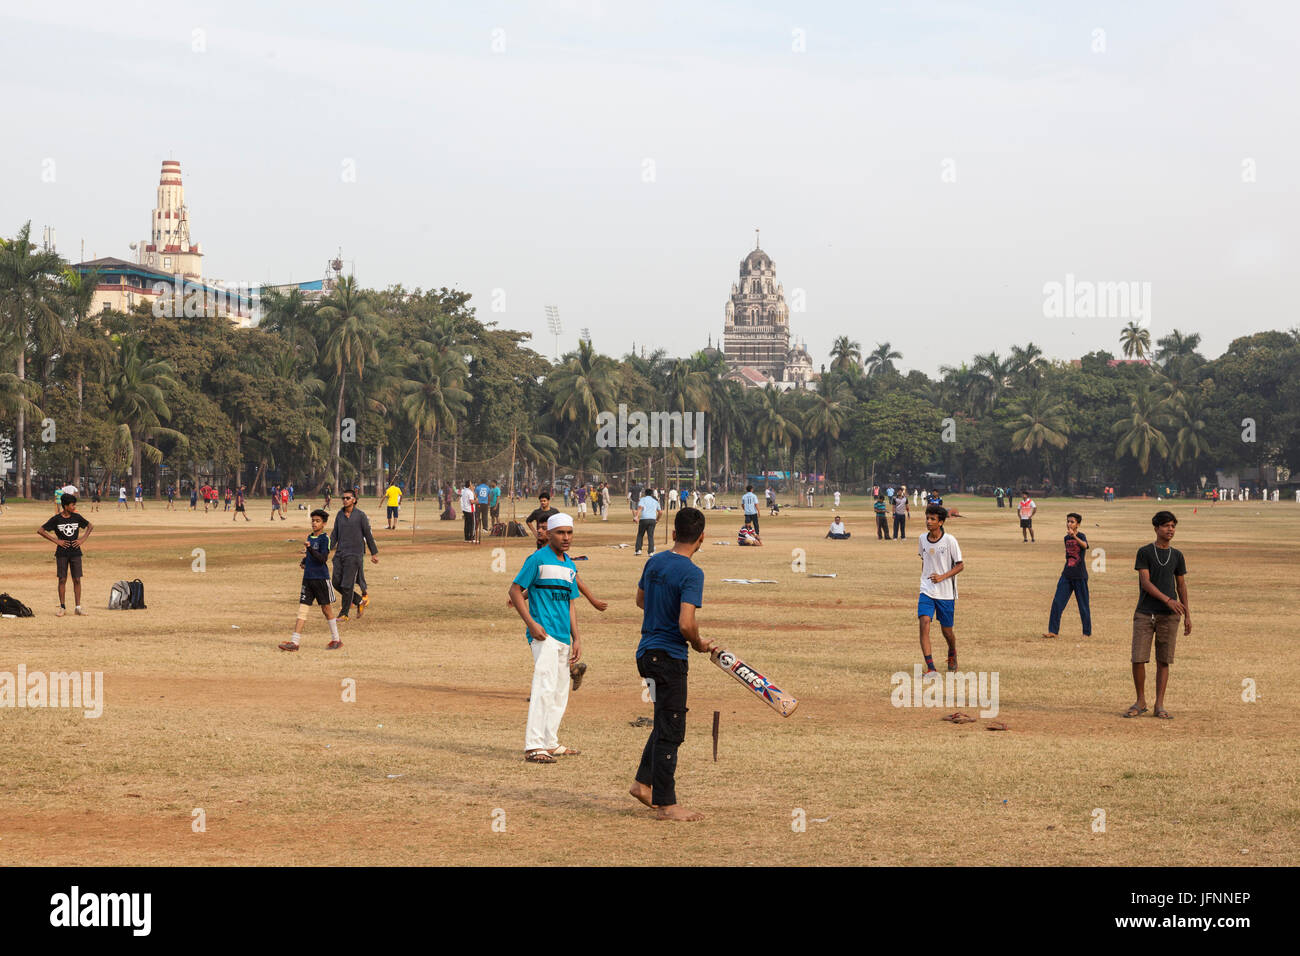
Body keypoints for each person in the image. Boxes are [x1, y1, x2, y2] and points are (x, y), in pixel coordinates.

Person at [629, 506, 713, 820]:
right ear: (701, 538)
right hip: (669, 658)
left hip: (646, 655)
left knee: (664, 721)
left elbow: (640, 600)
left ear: (674, 533)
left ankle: (642, 784)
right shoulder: (692, 573)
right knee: (673, 730)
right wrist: (699, 643)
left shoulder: (654, 561)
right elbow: (686, 624)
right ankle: (667, 804)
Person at [509, 513, 584, 763]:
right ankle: (533, 745)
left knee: (560, 690)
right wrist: (532, 623)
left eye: (569, 533)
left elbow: (571, 604)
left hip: (564, 636)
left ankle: (550, 742)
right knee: (544, 686)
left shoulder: (569, 565)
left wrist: (577, 638)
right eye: (560, 533)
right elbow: (515, 590)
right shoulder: (537, 559)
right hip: (543, 635)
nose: (565, 537)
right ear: (548, 534)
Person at [1126, 511, 1190, 720]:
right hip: (1145, 612)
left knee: (1164, 660)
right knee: (1138, 658)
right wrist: (1168, 599)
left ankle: (1159, 704)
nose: (1170, 529)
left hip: (1169, 616)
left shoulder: (1177, 555)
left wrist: (1187, 614)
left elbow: (1181, 584)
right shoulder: (1144, 552)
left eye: (1172, 526)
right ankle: (1140, 700)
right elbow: (1145, 582)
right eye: (1166, 526)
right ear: (1156, 528)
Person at [279, 509, 343, 651]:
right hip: (308, 579)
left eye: (317, 521)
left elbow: (323, 559)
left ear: (324, 523)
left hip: (320, 579)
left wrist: (310, 550)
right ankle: (294, 642)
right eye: (313, 520)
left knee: (326, 609)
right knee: (303, 609)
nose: (314, 523)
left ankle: (336, 639)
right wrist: (304, 561)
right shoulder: (310, 536)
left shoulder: (324, 539)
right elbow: (311, 557)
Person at [917, 504, 964, 676]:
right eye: (927, 518)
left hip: (945, 592)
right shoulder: (922, 539)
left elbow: (960, 566)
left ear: (941, 522)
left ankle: (952, 652)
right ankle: (931, 668)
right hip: (927, 589)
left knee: (947, 631)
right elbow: (925, 561)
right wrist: (926, 578)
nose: (928, 522)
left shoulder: (950, 541)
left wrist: (942, 577)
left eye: (932, 519)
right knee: (924, 623)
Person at [37, 493, 93, 617]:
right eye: (72, 505)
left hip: (76, 553)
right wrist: (56, 541)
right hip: (62, 553)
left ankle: (78, 607)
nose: (74, 507)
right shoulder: (56, 519)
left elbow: (90, 526)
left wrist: (82, 539)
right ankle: (62, 607)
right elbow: (40, 530)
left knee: (77, 579)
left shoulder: (77, 517)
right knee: (62, 579)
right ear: (66, 506)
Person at [330, 489, 378, 622]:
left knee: (347, 584)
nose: (345, 500)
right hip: (340, 553)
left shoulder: (360, 516)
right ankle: (358, 601)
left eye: (347, 498)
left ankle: (344, 614)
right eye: (343, 498)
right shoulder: (340, 515)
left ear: (354, 500)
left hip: (355, 554)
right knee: (335, 582)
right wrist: (326, 548)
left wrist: (373, 553)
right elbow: (335, 534)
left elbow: (368, 535)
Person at [1043, 512, 1091, 639]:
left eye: (1072, 522)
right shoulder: (1066, 538)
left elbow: (1085, 546)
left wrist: (1075, 537)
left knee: (1083, 605)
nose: (1069, 524)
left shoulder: (1081, 536)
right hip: (1067, 575)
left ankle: (1086, 632)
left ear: (1078, 524)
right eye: (1068, 521)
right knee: (1057, 602)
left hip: (1080, 576)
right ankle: (1053, 631)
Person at [635, 487, 661, 555]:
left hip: (644, 519)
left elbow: (640, 507)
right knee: (650, 536)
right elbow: (660, 512)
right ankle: (651, 552)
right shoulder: (655, 501)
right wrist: (657, 520)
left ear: (645, 493)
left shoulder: (643, 499)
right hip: (652, 519)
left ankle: (638, 550)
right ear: (652, 494)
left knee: (640, 534)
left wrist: (636, 516)